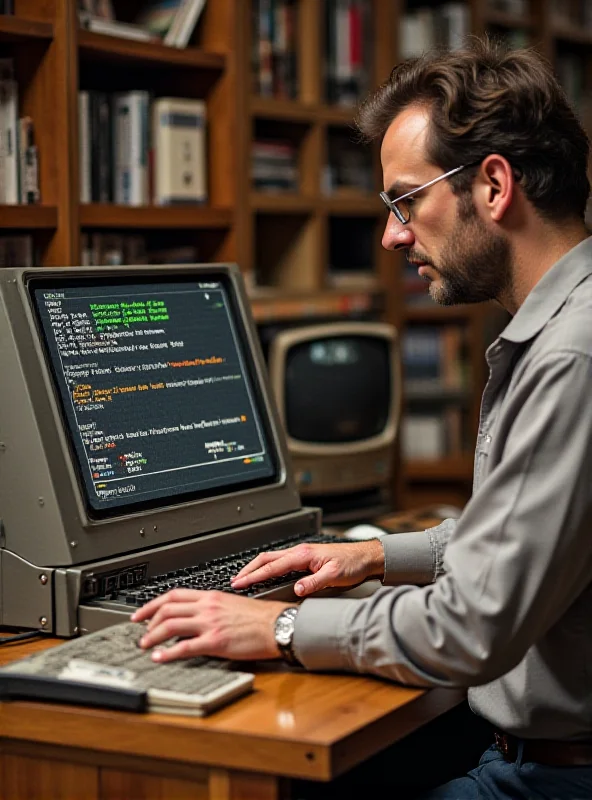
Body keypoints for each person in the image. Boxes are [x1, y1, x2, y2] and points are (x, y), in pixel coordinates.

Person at [132, 38, 592, 799]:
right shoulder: (564, 326)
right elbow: (528, 536)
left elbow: (472, 627)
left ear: (494, 184)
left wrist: (277, 630)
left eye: (406, 199)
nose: (393, 235)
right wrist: (374, 557)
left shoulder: (571, 357)